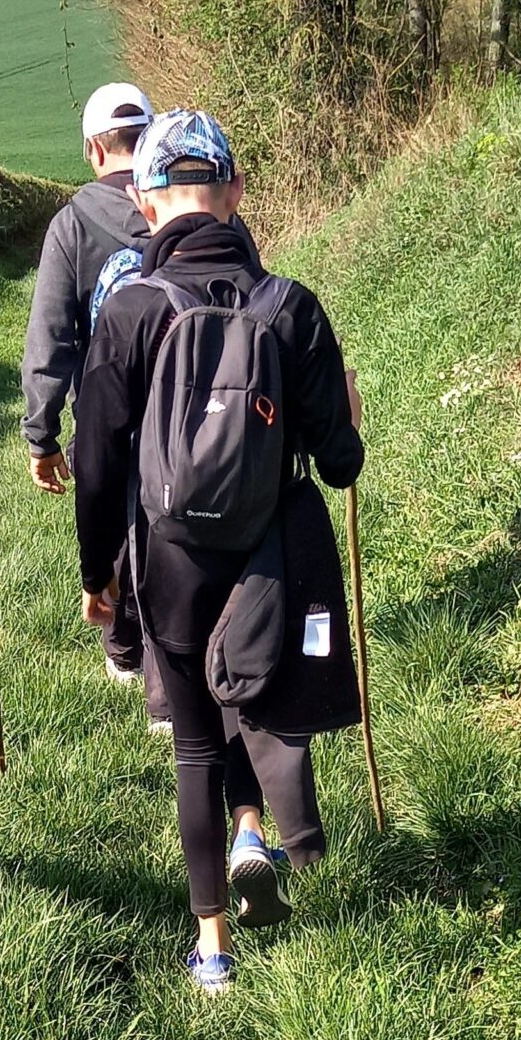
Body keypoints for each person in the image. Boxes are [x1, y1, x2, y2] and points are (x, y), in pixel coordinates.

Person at [71, 111, 364, 993]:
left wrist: (100, 576)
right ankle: (258, 831)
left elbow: (96, 463)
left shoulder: (131, 311)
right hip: (272, 553)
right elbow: (341, 465)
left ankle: (212, 950)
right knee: (257, 698)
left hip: (170, 559)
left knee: (195, 742)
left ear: (146, 202)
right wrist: (346, 417)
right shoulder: (291, 308)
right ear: (235, 194)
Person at [20, 82, 164, 701]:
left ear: (93, 151)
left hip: (107, 415)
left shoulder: (72, 225)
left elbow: (50, 337)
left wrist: (42, 435)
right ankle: (170, 666)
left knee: (114, 521)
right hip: (188, 407)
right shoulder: (183, 206)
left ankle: (126, 649)